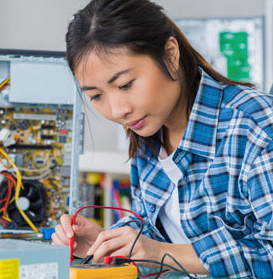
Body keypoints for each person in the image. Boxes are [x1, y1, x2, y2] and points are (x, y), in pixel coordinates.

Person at [51, 0, 273, 277]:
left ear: (170, 54)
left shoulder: (256, 124)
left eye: (125, 85)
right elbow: (158, 235)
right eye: (96, 96)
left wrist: (157, 252)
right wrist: (105, 244)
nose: (118, 110)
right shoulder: (147, 132)